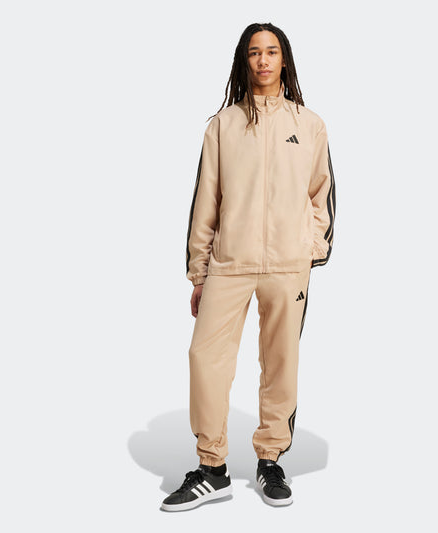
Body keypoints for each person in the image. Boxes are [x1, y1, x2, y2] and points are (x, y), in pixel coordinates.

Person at [161, 22, 335, 512]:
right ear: (244, 60)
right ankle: (212, 468)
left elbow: (321, 193)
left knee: (280, 361)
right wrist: (200, 271)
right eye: (255, 52)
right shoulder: (222, 125)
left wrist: (308, 249)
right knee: (205, 357)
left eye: (271, 51)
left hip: (288, 265)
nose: (263, 60)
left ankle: (270, 459)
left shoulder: (309, 124)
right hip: (229, 263)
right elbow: (206, 200)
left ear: (284, 60)